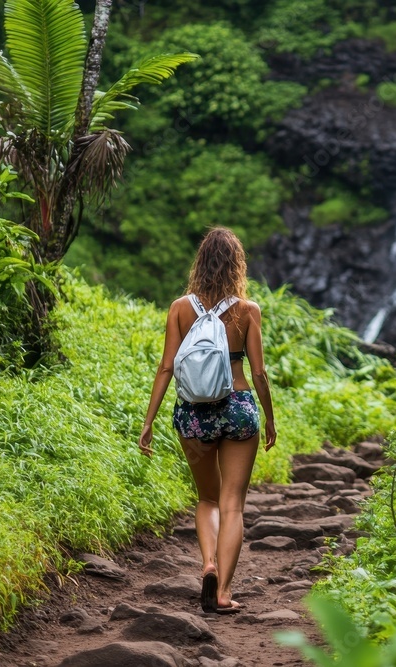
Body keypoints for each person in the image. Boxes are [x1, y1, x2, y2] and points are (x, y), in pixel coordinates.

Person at [138, 227, 277, 614]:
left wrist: (148, 422)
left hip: (194, 414)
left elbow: (166, 367)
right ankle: (224, 593)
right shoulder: (248, 311)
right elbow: (259, 373)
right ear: (237, 265)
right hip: (237, 408)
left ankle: (208, 564)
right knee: (233, 504)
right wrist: (269, 418)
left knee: (207, 498)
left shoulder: (180, 307)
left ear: (200, 262)